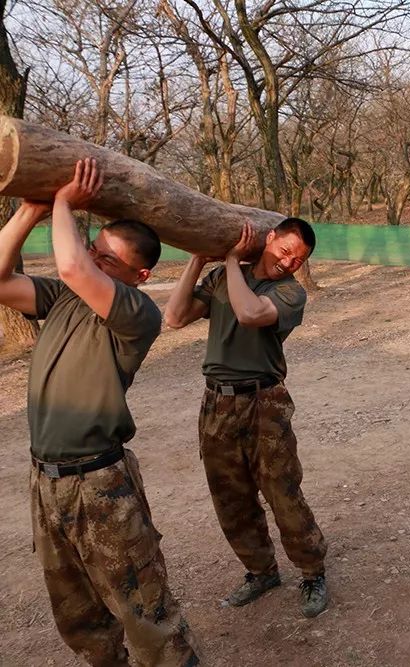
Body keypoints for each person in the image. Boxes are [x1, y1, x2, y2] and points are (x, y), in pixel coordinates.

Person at [0, 158, 198, 665]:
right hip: (45, 481)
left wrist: (66, 201)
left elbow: (71, 266)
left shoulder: (137, 313)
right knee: (79, 615)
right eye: (92, 250)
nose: (90, 262)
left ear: (140, 273)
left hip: (100, 483)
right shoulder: (63, 298)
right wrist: (28, 213)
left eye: (105, 260)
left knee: (146, 612)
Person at [164, 218, 328, 618]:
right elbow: (175, 316)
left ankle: (312, 571)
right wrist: (197, 261)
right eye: (285, 250)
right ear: (269, 238)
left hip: (264, 402)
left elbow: (251, 313)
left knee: (282, 492)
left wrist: (234, 260)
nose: (289, 261)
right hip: (216, 404)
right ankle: (260, 571)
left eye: (299, 258)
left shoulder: (290, 292)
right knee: (230, 496)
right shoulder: (222, 276)